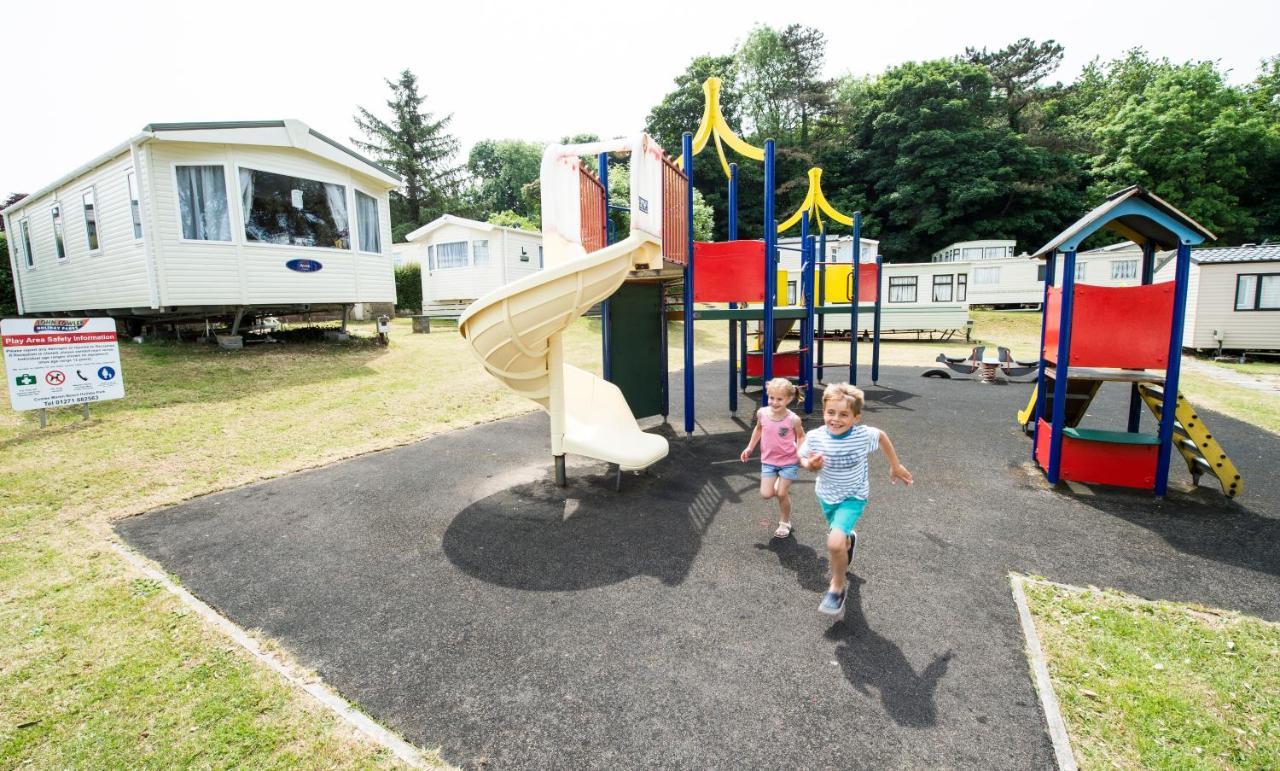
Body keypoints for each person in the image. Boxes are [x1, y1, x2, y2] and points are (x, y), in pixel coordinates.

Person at [798, 383, 912, 615]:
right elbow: (801, 457)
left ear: (856, 417)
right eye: (831, 412)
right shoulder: (816, 437)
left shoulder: (861, 435)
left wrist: (895, 465)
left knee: (833, 543)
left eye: (844, 414)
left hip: (854, 496)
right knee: (841, 540)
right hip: (827, 496)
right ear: (824, 411)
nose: (836, 419)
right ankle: (848, 540)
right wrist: (810, 465)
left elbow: (881, 436)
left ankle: (837, 587)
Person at [740, 378, 806, 538]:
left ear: (789, 399)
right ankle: (779, 486)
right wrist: (749, 447)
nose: (774, 402)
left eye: (779, 399)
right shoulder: (762, 413)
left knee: (782, 493)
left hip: (788, 461)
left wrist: (800, 453)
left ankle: (785, 523)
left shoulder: (793, 419)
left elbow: (801, 436)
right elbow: (758, 430)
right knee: (766, 493)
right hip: (769, 461)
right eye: (771, 398)